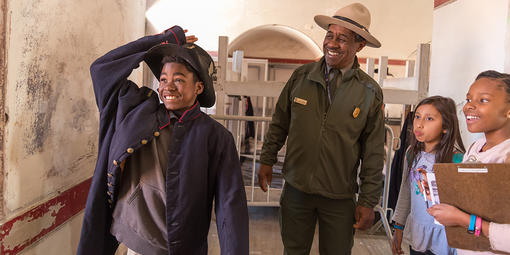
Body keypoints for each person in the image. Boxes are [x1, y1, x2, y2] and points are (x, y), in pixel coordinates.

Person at [77, 26, 249, 255]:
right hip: (136, 245)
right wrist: (164, 40)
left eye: (178, 80)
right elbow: (102, 69)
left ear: (198, 87)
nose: (167, 86)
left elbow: (230, 207)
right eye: (164, 79)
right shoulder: (137, 110)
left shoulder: (216, 137)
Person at [257, 3, 384, 254]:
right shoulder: (301, 77)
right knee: (293, 251)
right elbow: (280, 122)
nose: (332, 43)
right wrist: (266, 159)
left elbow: (373, 153)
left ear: (359, 46)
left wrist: (368, 201)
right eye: (330, 35)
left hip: (339, 197)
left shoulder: (369, 92)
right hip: (296, 189)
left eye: (343, 39)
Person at [428, 70, 510, 254]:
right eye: (468, 99)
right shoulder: (476, 147)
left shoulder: (507, 155)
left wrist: (461, 219)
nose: (468, 107)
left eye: (483, 100)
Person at [392, 96, 465, 255]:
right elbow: (406, 191)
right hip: (419, 233)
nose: (420, 124)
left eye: (429, 118)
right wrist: (398, 226)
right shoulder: (412, 153)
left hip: (445, 238)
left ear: (445, 126)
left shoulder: (458, 159)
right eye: (417, 116)